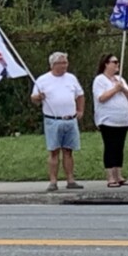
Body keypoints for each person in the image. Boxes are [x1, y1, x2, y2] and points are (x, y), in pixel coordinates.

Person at [32, 52, 85, 192]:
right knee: (54, 151)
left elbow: (80, 95)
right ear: (53, 65)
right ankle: (53, 181)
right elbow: (34, 99)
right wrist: (38, 97)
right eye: (61, 63)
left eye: (65, 62)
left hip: (70, 119)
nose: (64, 66)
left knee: (68, 151)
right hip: (53, 120)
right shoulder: (43, 80)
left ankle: (70, 180)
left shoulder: (71, 78)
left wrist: (80, 110)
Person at [92, 54, 128, 188]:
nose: (117, 65)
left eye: (118, 62)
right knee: (110, 146)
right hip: (108, 120)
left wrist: (122, 88)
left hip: (122, 119)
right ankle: (110, 176)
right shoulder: (100, 80)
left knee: (119, 147)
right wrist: (115, 90)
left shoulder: (120, 79)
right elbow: (101, 98)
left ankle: (119, 175)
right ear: (106, 64)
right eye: (114, 62)